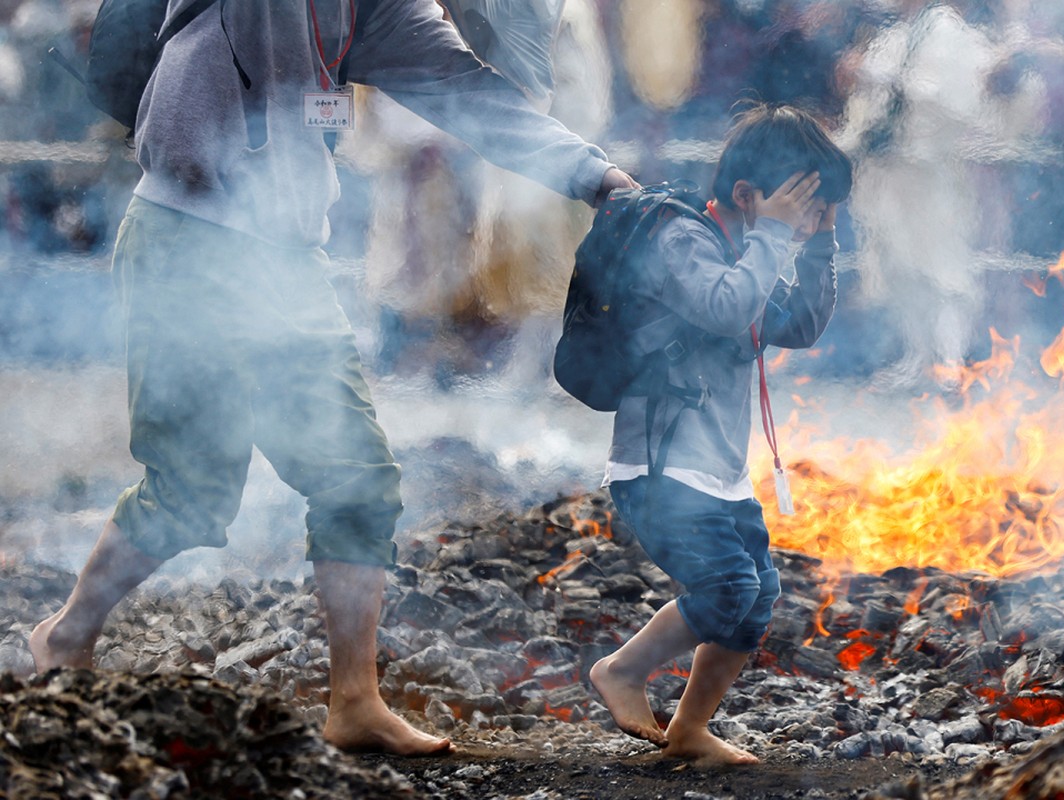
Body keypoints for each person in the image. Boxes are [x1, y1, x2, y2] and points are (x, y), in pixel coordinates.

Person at [27, 0, 635, 757]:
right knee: (189, 490)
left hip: (288, 264)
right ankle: (66, 633)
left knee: (358, 481)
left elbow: (468, 91)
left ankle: (355, 701)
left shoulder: (382, 12)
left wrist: (595, 174)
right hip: (185, 242)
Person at [588, 103, 852, 765]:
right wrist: (772, 238)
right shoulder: (680, 239)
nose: (799, 218)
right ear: (745, 195)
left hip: (718, 469)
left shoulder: (746, 249)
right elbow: (727, 306)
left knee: (756, 594)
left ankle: (688, 731)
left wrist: (818, 243)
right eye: (796, 202)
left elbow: (795, 326)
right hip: (660, 467)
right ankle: (620, 671)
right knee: (726, 590)